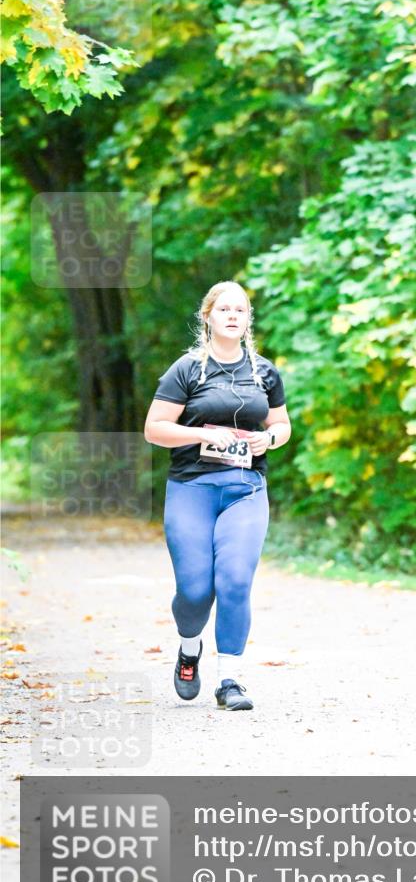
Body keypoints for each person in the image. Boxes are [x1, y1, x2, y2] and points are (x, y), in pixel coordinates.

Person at [144, 280, 290, 711]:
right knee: (194, 591)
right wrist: (203, 434)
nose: (232, 315)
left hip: (245, 489)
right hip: (192, 487)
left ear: (247, 320)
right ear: (207, 316)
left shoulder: (263, 371)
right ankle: (190, 649)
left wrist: (272, 440)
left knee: (234, 580)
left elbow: (282, 424)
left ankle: (231, 680)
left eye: (240, 310)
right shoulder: (187, 369)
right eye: (223, 308)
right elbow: (154, 429)